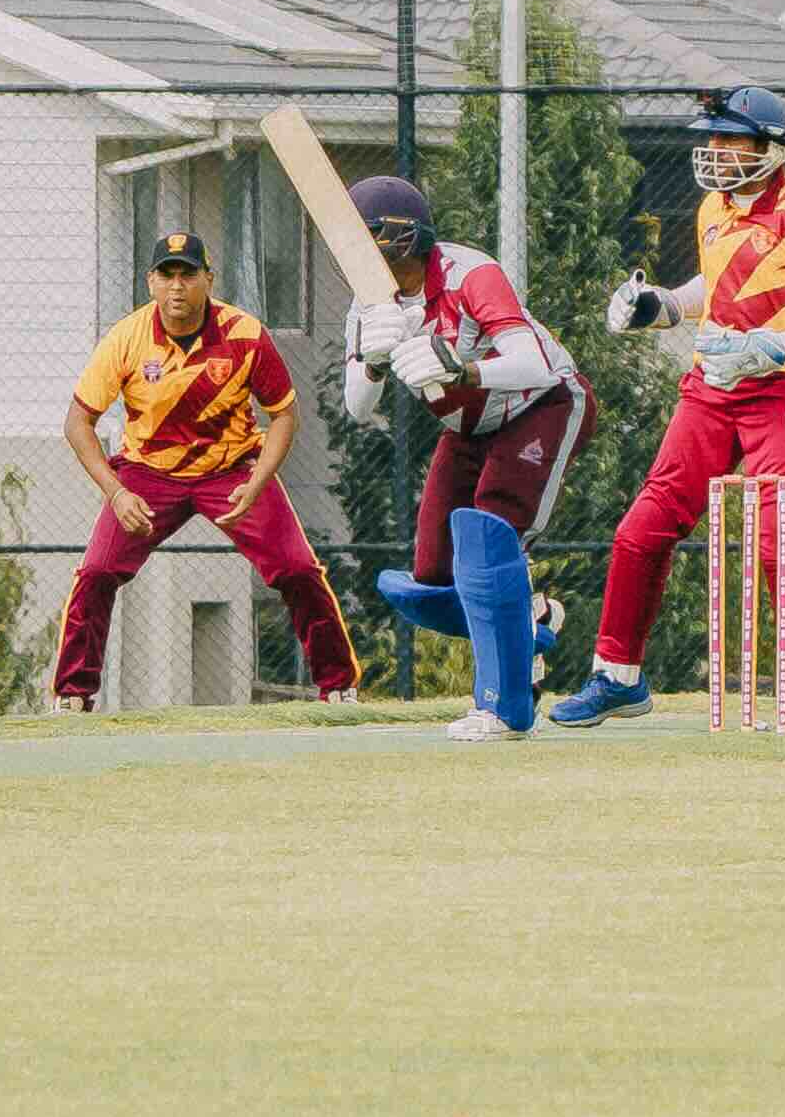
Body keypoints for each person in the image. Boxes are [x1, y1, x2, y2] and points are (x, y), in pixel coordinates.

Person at [550, 86, 785, 733]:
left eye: (731, 139)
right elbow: (716, 287)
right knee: (645, 523)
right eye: (714, 138)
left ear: (771, 147)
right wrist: (661, 305)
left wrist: (775, 346)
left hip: (784, 389)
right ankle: (618, 675)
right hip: (713, 384)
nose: (717, 150)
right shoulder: (713, 208)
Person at [52, 230, 363, 713]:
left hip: (233, 469)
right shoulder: (126, 338)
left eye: (188, 274)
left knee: (298, 569)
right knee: (95, 572)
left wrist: (257, 481)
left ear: (208, 280)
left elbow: (284, 415)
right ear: (151, 282)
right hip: (147, 474)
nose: (177, 287)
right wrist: (116, 492)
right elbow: (78, 423)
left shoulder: (245, 334)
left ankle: (339, 687)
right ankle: (72, 697)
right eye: (167, 275)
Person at [337, 178, 582, 740]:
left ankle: (504, 708)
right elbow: (356, 405)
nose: (353, 252)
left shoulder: (470, 274)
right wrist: (373, 363)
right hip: (470, 426)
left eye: (363, 236)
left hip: (540, 403)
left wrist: (461, 369)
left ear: (401, 237)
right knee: (431, 575)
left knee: (487, 534)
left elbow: (535, 365)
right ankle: (530, 618)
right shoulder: (367, 304)